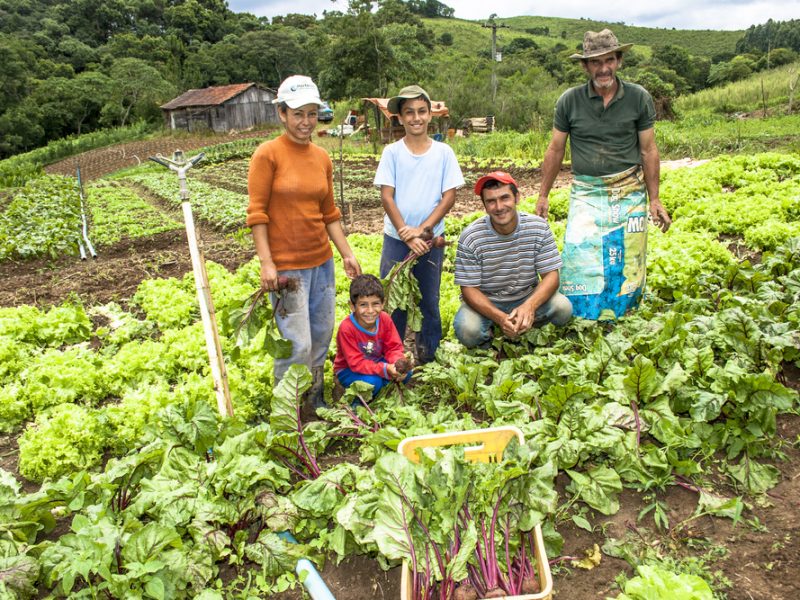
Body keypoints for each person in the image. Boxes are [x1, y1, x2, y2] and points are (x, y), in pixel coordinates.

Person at [536, 29, 672, 320]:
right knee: (580, 253)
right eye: (595, 62)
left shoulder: (638, 97)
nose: (603, 68)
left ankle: (624, 317)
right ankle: (585, 317)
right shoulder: (569, 101)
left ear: (619, 61)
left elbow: (648, 150)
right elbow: (555, 150)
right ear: (585, 67)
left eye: (608, 60)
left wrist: (655, 199)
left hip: (629, 190)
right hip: (587, 191)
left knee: (627, 257)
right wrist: (543, 194)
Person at [246, 74, 361, 410]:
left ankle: (314, 399)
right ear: (282, 113)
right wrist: (268, 263)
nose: (305, 122)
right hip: (288, 270)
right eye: (298, 114)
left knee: (321, 335)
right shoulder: (267, 155)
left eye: (311, 114)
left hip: (321, 264)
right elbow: (257, 214)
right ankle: (287, 409)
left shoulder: (321, 157)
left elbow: (329, 213)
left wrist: (346, 254)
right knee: (295, 343)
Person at [374, 84, 464, 364]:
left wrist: (423, 229)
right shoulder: (392, 152)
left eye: (421, 111)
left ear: (430, 115)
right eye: (409, 112)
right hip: (395, 239)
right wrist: (405, 232)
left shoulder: (443, 153)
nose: (416, 118)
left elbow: (449, 196)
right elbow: (387, 196)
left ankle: (429, 355)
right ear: (399, 118)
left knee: (428, 300)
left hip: (430, 239)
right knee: (393, 301)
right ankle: (393, 356)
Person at [453, 171, 572, 348]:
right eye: (491, 201)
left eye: (504, 198)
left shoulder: (537, 227)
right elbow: (469, 290)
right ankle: (494, 335)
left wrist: (529, 306)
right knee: (467, 330)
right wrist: (500, 318)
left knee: (563, 309)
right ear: (484, 206)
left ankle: (526, 325)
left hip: (526, 295)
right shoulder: (471, 237)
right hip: (487, 302)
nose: (499, 206)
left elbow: (551, 277)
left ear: (517, 197)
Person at [333, 274, 412, 397]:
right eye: (363, 305)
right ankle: (355, 402)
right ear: (352, 306)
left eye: (375, 304)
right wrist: (384, 369)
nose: (370, 311)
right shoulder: (347, 328)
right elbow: (356, 363)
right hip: (348, 369)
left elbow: (393, 348)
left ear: (383, 303)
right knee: (373, 383)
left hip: (375, 362)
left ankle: (381, 388)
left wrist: (397, 363)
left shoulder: (384, 319)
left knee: (407, 373)